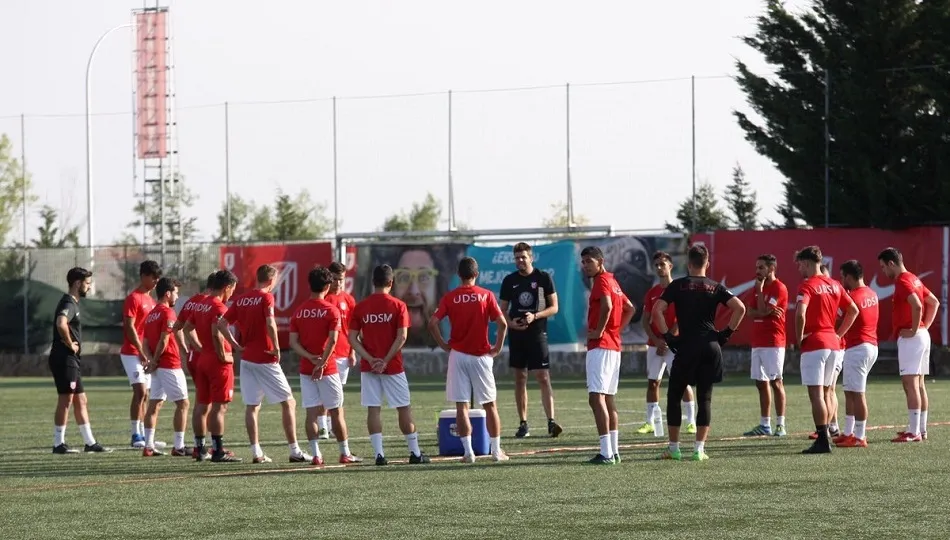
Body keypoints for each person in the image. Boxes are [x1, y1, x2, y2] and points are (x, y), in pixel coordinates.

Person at [651, 244, 745, 462]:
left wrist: (667, 336)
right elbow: (740, 308)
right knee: (705, 398)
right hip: (710, 347)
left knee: (674, 396)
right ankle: (699, 450)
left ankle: (674, 449)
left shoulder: (678, 285)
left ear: (688, 263)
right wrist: (726, 333)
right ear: (707, 263)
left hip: (686, 346)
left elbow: (657, 311)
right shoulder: (715, 287)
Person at [222, 264, 310, 464]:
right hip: (265, 357)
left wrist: (235, 345)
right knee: (289, 402)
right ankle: (294, 450)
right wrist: (277, 347)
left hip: (247, 359)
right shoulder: (266, 297)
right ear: (271, 281)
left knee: (252, 406)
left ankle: (256, 452)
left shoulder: (242, 298)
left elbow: (221, 323)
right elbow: (270, 322)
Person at [428, 257, 510, 463]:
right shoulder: (486, 295)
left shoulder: (450, 297)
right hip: (481, 356)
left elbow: (432, 323)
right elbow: (502, 323)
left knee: (461, 406)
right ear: (476, 274)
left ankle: (468, 453)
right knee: (490, 405)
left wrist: (444, 345)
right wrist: (498, 347)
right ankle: (495, 452)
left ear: (459, 275)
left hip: (458, 355)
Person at [349, 264, 431, 465]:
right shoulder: (398, 305)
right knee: (403, 408)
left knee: (373, 410)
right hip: (392, 366)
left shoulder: (361, 307)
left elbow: (352, 338)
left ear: (373, 282)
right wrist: (384, 360)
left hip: (370, 368)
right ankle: (415, 453)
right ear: (391, 282)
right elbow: (402, 336)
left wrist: (370, 359)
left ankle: (379, 455)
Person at [289, 266, 363, 466]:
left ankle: (316, 455)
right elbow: (332, 341)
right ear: (328, 285)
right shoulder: (331, 310)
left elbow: (293, 343)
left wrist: (311, 359)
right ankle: (344, 453)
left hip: (306, 369)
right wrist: (321, 362)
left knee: (311, 412)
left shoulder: (299, 311)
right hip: (328, 368)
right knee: (337, 411)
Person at [793, 246, 858, 454]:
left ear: (807, 263)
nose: (799, 269)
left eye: (800, 265)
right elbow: (853, 310)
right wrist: (839, 334)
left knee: (816, 395)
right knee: (827, 392)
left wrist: (798, 337)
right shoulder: (835, 284)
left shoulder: (807, 285)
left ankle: (822, 440)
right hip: (833, 343)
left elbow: (800, 314)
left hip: (815, 343)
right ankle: (828, 433)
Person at [498, 242, 562, 439]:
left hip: (537, 334)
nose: (520, 261)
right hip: (517, 336)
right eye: (517, 258)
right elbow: (502, 310)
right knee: (520, 378)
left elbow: (554, 307)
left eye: (523, 257)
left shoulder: (543, 278)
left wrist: (535, 316)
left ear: (531, 257)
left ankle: (551, 421)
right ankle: (523, 423)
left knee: (543, 376)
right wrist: (511, 324)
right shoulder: (509, 280)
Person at [878, 247, 940, 442]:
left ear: (891, 263)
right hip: (920, 336)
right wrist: (924, 327)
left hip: (912, 338)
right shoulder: (914, 278)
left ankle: (914, 432)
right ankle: (919, 429)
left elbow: (919, 304)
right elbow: (934, 302)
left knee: (911, 384)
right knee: (919, 384)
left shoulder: (904, 281)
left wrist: (914, 329)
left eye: (883, 267)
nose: (883, 272)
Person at [580, 246, 636, 465]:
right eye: (583, 262)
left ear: (600, 261)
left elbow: (608, 304)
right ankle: (614, 450)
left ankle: (606, 453)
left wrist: (602, 330)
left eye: (589, 261)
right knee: (608, 399)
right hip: (613, 346)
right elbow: (630, 308)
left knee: (596, 397)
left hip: (601, 345)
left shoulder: (603, 281)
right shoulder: (613, 281)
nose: (585, 265)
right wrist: (615, 330)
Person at [50, 267, 111, 454]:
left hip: (72, 360)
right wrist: (70, 344)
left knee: (81, 400)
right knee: (66, 400)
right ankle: (58, 444)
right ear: (77, 283)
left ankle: (90, 443)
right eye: (87, 284)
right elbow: (61, 323)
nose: (89, 288)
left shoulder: (74, 303)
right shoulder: (68, 302)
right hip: (65, 359)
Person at [187, 269, 243, 463]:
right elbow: (216, 332)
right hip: (217, 363)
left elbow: (187, 328)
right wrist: (221, 354)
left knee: (201, 406)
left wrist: (201, 349)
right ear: (227, 287)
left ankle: (200, 448)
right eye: (233, 289)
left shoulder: (201, 304)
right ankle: (218, 451)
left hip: (203, 360)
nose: (232, 293)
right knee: (219, 408)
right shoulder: (219, 307)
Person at [638, 251, 695, 438]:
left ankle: (691, 422)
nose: (659, 268)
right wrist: (656, 340)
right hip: (655, 345)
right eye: (656, 265)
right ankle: (649, 423)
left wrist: (669, 339)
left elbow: (682, 320)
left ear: (670, 266)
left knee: (681, 381)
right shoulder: (651, 293)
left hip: (675, 344)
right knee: (653, 383)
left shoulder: (679, 290)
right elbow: (645, 321)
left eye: (663, 264)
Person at [141, 278, 191, 457]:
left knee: (155, 404)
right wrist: (154, 360)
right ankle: (179, 446)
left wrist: (150, 360)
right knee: (183, 403)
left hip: (158, 367)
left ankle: (148, 446)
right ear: (168, 293)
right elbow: (164, 339)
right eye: (175, 292)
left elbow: (145, 342)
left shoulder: (152, 314)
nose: (177, 296)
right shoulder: (168, 313)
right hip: (169, 364)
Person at [743, 254, 789, 438]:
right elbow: (750, 312)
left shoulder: (779, 288)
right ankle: (765, 425)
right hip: (758, 341)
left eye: (761, 267)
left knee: (776, 383)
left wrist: (760, 293)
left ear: (771, 269)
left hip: (773, 342)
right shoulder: (757, 287)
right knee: (760, 383)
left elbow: (760, 310)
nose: (757, 271)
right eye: (757, 267)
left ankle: (780, 425)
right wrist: (762, 311)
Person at [835, 260, 879, 447]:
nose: (841, 279)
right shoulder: (871, 293)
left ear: (849, 277)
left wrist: (837, 336)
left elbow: (843, 317)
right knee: (850, 391)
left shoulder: (853, 296)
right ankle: (849, 432)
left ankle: (860, 436)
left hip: (858, 347)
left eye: (842, 276)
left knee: (858, 393)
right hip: (868, 345)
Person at [312, 261, 358, 440]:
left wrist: (353, 352)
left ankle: (332, 427)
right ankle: (322, 427)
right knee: (324, 393)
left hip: (344, 353)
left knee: (337, 394)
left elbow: (352, 330)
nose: (339, 283)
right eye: (336, 279)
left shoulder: (349, 300)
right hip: (326, 354)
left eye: (341, 279)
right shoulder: (323, 299)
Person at [120, 260, 163, 449]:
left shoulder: (152, 301)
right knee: (140, 391)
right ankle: (135, 434)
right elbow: (129, 327)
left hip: (145, 353)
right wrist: (140, 350)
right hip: (131, 352)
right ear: (144, 276)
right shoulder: (133, 298)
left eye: (157, 278)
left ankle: (146, 436)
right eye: (153, 277)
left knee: (146, 394)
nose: (156, 281)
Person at [173, 273, 215, 460]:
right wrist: (199, 347)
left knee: (202, 401)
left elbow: (178, 327)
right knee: (212, 403)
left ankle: (201, 447)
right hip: (205, 357)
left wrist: (186, 349)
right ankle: (213, 447)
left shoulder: (191, 302)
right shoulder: (208, 303)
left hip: (192, 357)